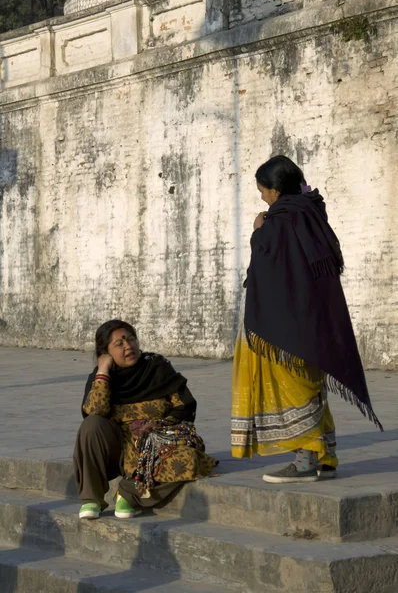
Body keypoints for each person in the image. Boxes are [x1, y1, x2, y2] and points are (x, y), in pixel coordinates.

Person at [231, 155, 382, 484]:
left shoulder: (281, 220)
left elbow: (271, 261)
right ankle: (325, 455)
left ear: (276, 190)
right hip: (313, 316)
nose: (262, 198)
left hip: (285, 323)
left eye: (263, 192)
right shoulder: (310, 213)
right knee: (310, 385)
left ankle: (305, 460)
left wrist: (259, 231)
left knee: (293, 385)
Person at [74, 319, 218, 519]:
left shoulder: (157, 368)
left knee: (190, 460)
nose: (128, 346)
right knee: (91, 425)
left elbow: (184, 406)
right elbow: (94, 411)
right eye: (119, 344)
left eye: (131, 339)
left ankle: (129, 493)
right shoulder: (101, 377)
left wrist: (157, 426)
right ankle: (91, 499)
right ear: (105, 352)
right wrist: (103, 371)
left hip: (157, 446)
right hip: (118, 450)